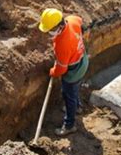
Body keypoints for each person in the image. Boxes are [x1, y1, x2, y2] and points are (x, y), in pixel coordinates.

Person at [38, 8, 89, 137]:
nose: (49, 32)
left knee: (69, 95)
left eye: (50, 30)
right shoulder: (71, 20)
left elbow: (62, 69)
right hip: (83, 60)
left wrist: (53, 71)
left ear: (59, 26)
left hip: (74, 70)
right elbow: (80, 21)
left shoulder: (62, 44)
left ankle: (69, 125)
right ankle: (77, 107)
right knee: (76, 88)